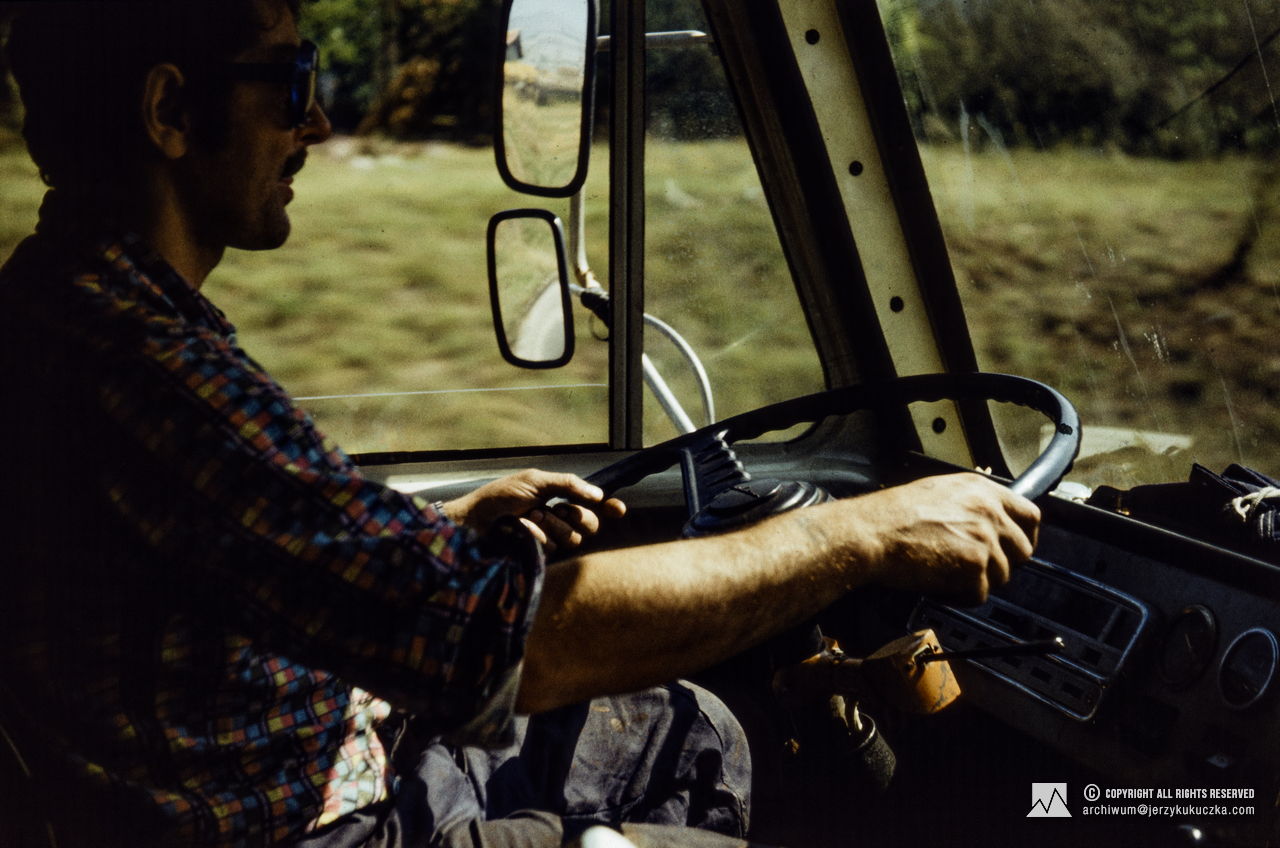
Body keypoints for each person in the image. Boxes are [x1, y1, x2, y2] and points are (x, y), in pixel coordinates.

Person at [0, 1, 1041, 846]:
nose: (313, 123)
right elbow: (505, 649)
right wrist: (857, 534)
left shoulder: (78, 308)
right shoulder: (144, 370)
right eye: (291, 78)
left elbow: (236, 550)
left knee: (695, 733)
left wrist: (445, 530)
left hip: (313, 748)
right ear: (170, 109)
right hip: (319, 824)